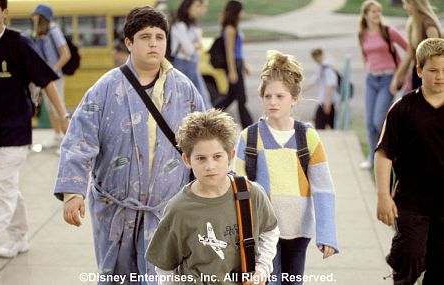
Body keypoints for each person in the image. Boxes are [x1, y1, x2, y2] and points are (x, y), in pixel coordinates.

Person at [53, 6, 205, 283]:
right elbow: (79, 140)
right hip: (114, 211)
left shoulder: (185, 90)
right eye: (145, 37)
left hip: (167, 211)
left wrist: (208, 192)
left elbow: (202, 145)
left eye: (160, 37)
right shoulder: (105, 88)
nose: (154, 43)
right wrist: (72, 193)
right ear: (129, 43)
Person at [0, 0, 67, 277]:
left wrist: (63, 118)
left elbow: (47, 80)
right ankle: (20, 235)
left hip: (16, 129)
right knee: (5, 187)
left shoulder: (17, 44)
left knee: (0, 189)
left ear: (5, 13)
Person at [234, 51, 339, 285]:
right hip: (263, 230)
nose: (273, 101)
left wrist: (327, 234)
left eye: (280, 96)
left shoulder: (308, 137)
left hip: (299, 230)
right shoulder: (249, 137)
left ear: (294, 98)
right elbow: (236, 187)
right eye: (268, 96)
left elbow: (323, 188)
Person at [145, 109, 279, 285]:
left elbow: (269, 231)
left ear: (230, 156)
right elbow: (164, 268)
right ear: (187, 160)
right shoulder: (178, 209)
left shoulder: (250, 194)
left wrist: (262, 269)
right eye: (201, 158)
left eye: (217, 156)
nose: (210, 166)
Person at [376, 38, 444, 285]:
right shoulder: (403, 109)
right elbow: (383, 153)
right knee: (412, 255)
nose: (439, 77)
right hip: (411, 202)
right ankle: (401, 263)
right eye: (433, 70)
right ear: (418, 70)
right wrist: (383, 196)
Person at [358, 0, 408, 170]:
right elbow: (364, 54)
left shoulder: (389, 31)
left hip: (388, 79)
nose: (377, 14)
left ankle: (391, 152)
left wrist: (398, 76)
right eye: (373, 11)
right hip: (371, 79)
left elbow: (409, 49)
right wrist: (368, 68)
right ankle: (372, 158)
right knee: (369, 123)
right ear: (365, 15)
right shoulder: (362, 34)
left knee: (379, 120)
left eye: (378, 11)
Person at [31, 4, 71, 149]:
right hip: (45, 78)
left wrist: (52, 71)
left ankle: (68, 142)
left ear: (42, 17)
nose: (33, 17)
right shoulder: (41, 33)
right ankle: (57, 136)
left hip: (55, 78)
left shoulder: (54, 31)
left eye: (35, 15)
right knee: (49, 108)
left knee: (58, 108)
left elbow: (66, 54)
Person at [214, 0, 253, 128]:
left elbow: (238, 49)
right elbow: (229, 52)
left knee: (232, 96)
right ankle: (249, 126)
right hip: (233, 65)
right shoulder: (230, 28)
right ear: (236, 11)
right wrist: (232, 70)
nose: (243, 13)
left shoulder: (235, 27)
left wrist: (244, 65)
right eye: (241, 10)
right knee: (241, 98)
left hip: (238, 64)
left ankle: (212, 112)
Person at [389, 0, 442, 94]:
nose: (404, 7)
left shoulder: (428, 24)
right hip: (418, 73)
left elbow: (437, 54)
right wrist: (398, 77)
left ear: (412, 3)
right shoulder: (413, 23)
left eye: (405, 3)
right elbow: (409, 54)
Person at [170, 0, 212, 109]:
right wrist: (195, 45)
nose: (200, 9)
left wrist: (194, 45)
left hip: (191, 64)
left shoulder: (192, 25)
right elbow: (189, 49)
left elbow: (197, 46)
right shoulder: (179, 25)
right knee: (184, 99)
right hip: (182, 64)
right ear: (187, 7)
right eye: (197, 6)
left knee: (201, 97)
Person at [302, 48, 339, 130]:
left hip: (327, 101)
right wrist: (299, 91)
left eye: (317, 57)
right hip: (325, 100)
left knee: (321, 123)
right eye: (314, 58)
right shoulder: (321, 67)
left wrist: (327, 102)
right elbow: (313, 81)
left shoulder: (327, 68)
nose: (316, 60)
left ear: (321, 55)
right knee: (326, 124)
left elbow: (330, 85)